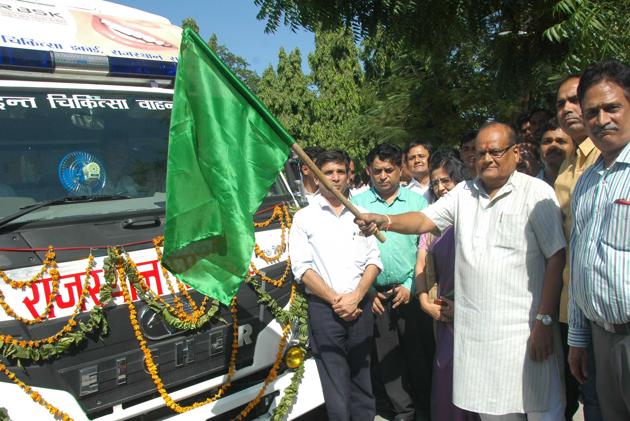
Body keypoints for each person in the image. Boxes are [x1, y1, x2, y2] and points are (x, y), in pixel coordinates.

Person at [356, 122, 567, 420]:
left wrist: (545, 321)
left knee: (542, 409)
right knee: (494, 413)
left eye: (495, 151)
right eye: (481, 153)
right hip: (479, 337)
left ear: (516, 152)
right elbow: (422, 220)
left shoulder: (536, 192)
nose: (487, 159)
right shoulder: (464, 194)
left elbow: (556, 258)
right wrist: (385, 220)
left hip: (526, 334)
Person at [289, 149, 382, 421]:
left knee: (362, 379)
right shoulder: (304, 217)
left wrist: (357, 297)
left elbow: (374, 260)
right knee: (336, 388)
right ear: (316, 177)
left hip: (361, 306)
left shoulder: (363, 214)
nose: (335, 178)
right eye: (328, 172)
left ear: (349, 175)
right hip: (325, 311)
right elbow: (302, 268)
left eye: (341, 172)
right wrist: (337, 300)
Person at [568, 59, 630, 421]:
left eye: (612, 107)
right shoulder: (588, 182)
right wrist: (578, 338)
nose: (601, 119)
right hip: (601, 339)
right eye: (592, 111)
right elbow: (580, 262)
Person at [352, 143, 430, 421]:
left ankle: (426, 409)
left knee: (419, 355)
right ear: (368, 171)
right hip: (377, 296)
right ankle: (403, 412)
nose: (383, 176)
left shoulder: (418, 204)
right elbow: (352, 254)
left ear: (401, 170)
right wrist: (368, 290)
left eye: (389, 170)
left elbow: (426, 249)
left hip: (412, 291)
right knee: (387, 361)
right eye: (377, 171)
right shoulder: (357, 204)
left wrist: (410, 285)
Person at [415, 151, 480, 421]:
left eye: (446, 181)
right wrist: (423, 301)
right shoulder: (431, 223)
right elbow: (421, 265)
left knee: (477, 375)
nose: (440, 188)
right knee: (446, 370)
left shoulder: (476, 215)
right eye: (435, 183)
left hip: (477, 310)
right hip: (444, 311)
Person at [553, 74, 602, 421]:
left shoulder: (611, 157)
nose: (568, 109)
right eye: (560, 103)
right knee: (589, 398)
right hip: (573, 307)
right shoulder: (569, 166)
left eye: (574, 100)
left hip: (608, 308)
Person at [539, 119, 576, 186]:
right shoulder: (528, 187)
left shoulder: (583, 182)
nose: (553, 145)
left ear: (574, 148)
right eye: (547, 141)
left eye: (561, 141)